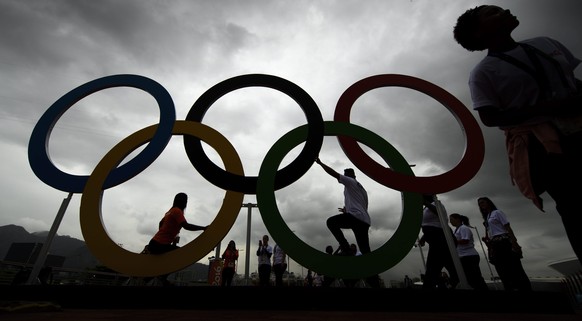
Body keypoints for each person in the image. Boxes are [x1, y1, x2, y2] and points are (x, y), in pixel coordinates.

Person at [453, 5, 582, 263]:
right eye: (492, 13)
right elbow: (490, 117)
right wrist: (550, 109)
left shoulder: (545, 43)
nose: (505, 10)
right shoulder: (483, 73)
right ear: (479, 33)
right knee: (575, 206)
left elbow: (571, 80)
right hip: (543, 146)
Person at [314, 157, 380, 288]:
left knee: (331, 222)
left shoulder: (349, 181)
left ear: (349, 176)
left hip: (356, 218)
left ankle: (345, 247)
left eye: (345, 176)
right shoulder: (362, 189)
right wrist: (347, 210)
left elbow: (333, 174)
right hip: (364, 220)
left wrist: (321, 163)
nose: (343, 178)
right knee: (366, 252)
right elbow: (362, 206)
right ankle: (374, 282)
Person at [147, 192, 207, 286]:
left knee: (169, 258)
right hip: (159, 244)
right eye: (186, 200)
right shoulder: (177, 211)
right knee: (180, 254)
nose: (186, 202)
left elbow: (160, 223)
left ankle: (159, 277)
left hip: (155, 243)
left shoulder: (170, 211)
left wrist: (169, 235)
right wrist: (203, 228)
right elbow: (186, 226)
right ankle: (161, 277)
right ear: (182, 201)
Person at [477, 197, 531, 291]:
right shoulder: (487, 217)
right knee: (502, 270)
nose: (481, 205)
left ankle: (525, 289)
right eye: (479, 204)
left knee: (515, 268)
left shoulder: (497, 213)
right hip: (495, 244)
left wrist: (514, 243)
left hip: (504, 242)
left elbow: (507, 227)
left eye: (483, 202)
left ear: (489, 202)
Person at [418, 194, 459, 290]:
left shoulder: (437, 204)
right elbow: (429, 224)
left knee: (432, 270)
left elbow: (439, 217)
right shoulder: (425, 209)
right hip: (434, 240)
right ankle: (457, 282)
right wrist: (424, 238)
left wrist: (426, 203)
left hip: (441, 240)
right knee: (451, 268)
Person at [449, 213, 489, 291]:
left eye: (451, 219)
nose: (450, 222)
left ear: (457, 219)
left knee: (475, 278)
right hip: (462, 256)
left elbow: (465, 240)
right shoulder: (456, 230)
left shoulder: (463, 228)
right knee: (469, 279)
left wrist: (453, 242)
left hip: (469, 256)